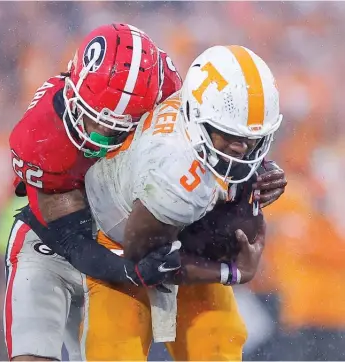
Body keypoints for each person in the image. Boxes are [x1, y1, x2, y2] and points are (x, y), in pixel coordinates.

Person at [75, 44, 284, 360]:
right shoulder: (174, 171)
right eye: (230, 135)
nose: (242, 149)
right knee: (116, 351)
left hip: (177, 230)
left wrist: (260, 172)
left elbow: (238, 145)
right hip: (118, 244)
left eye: (252, 140)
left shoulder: (212, 123)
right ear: (198, 118)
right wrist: (231, 273)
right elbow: (144, 265)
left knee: (218, 344)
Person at [5, 23, 183, 361]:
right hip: (50, 241)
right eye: (90, 119)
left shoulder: (170, 97)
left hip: (121, 238)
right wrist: (130, 270)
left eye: (114, 130)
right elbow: (71, 241)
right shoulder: (39, 137)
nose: (96, 136)